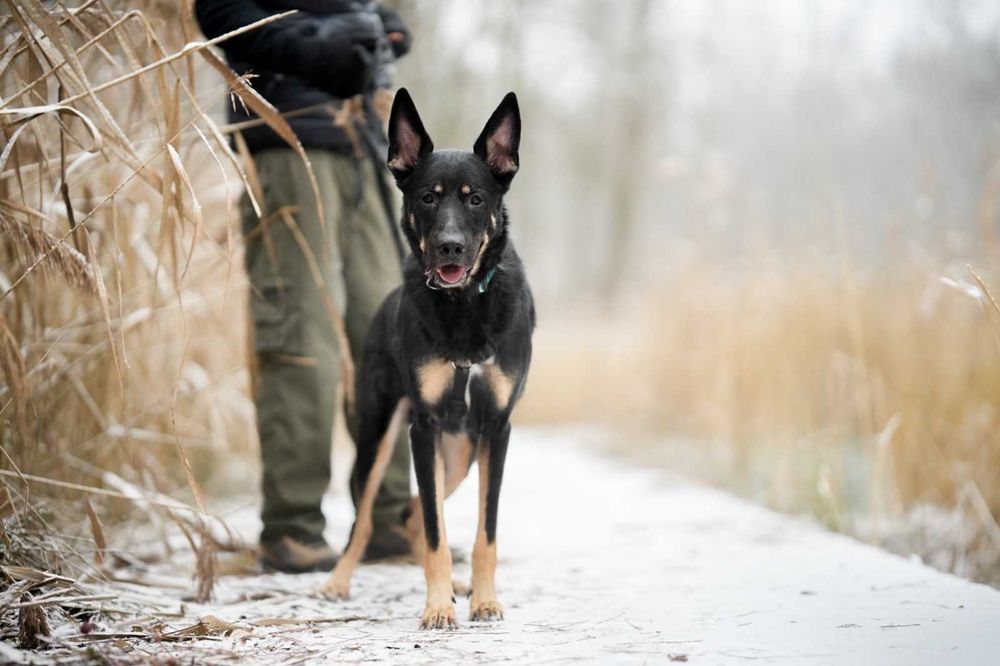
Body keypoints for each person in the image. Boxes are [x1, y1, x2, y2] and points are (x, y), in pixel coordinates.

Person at [195, 0, 414, 573]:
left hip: (365, 146)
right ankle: (292, 526)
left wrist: (378, 31)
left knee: (388, 330)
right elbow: (219, 10)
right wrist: (315, 44)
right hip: (286, 141)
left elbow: (371, 17)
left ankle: (389, 520)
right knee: (301, 334)